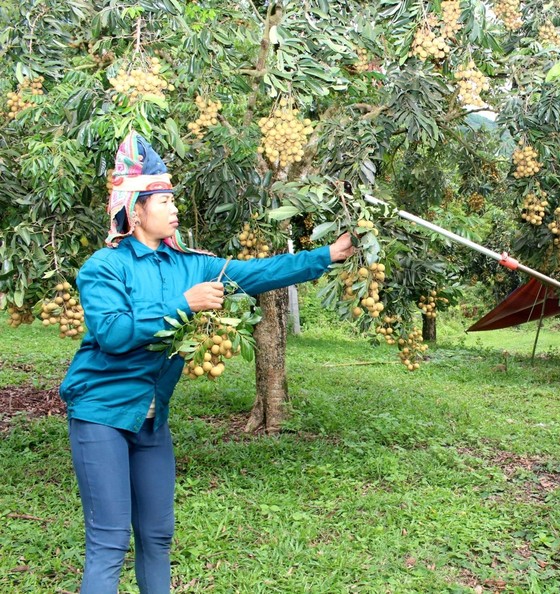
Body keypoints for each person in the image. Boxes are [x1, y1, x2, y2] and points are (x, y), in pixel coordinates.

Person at [59, 131, 354, 593]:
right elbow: (114, 335)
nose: (174, 208)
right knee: (110, 539)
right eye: (164, 201)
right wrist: (184, 305)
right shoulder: (104, 266)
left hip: (151, 420)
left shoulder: (190, 264)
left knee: (157, 534)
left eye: (174, 200)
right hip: (101, 413)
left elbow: (256, 273)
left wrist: (328, 255)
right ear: (136, 210)